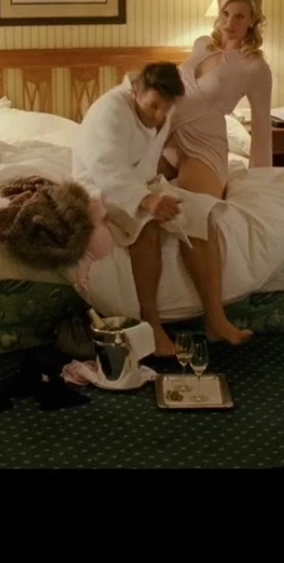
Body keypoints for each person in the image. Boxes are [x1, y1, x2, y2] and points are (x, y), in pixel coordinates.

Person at [158, 0, 273, 347]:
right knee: (123, 188)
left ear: (253, 19)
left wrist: (260, 180)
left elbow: (261, 126)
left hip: (203, 147)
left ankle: (216, 320)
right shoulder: (201, 45)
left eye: (240, 16)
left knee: (193, 215)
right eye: (225, 13)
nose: (230, 22)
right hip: (166, 137)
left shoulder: (255, 67)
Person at [72, 62, 189, 356]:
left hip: (141, 180)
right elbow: (106, 167)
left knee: (199, 215)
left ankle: (216, 317)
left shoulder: (162, 107)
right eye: (153, 107)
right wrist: (147, 200)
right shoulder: (111, 110)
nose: (159, 116)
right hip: (100, 183)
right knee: (146, 226)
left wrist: (156, 190)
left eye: (166, 108)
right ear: (136, 90)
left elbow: (149, 157)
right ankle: (152, 323)